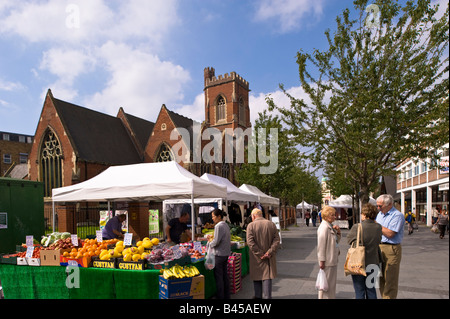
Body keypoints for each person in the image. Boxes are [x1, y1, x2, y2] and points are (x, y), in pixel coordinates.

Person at [347, 204, 382, 299]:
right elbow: (379, 241)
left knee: (359, 290)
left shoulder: (357, 227)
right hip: (374, 262)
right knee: (371, 289)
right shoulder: (378, 227)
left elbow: (349, 240)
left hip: (358, 263)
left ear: (365, 214)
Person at [246, 208, 280, 299]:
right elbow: (277, 240)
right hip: (269, 257)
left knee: (257, 277)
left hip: (256, 258)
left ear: (253, 216)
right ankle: (267, 297)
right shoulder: (271, 224)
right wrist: (269, 252)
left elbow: (250, 242)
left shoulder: (250, 226)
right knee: (267, 277)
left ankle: (258, 297)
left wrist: (260, 253)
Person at [375, 194, 405, 299]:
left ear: (390, 204)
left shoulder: (397, 215)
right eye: (377, 206)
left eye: (380, 206)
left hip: (391, 248)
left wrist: (375, 225)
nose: (378, 208)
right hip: (379, 246)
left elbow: (390, 233)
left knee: (390, 279)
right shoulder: (380, 215)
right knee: (381, 278)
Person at [317, 205, 341, 299]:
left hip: (332, 260)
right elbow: (321, 246)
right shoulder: (324, 228)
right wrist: (322, 261)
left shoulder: (329, 226)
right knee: (326, 286)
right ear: (327, 216)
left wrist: (338, 232)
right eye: (333, 215)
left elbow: (336, 241)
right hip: (328, 261)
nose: (334, 217)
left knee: (330, 285)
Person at [208, 208, 231, 299]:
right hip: (225, 253)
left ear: (219, 216)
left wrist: (209, 243)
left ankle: (221, 296)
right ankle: (226, 295)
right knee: (224, 276)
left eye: (213, 216)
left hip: (219, 254)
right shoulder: (225, 225)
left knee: (219, 277)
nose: (212, 218)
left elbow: (216, 242)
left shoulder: (218, 226)